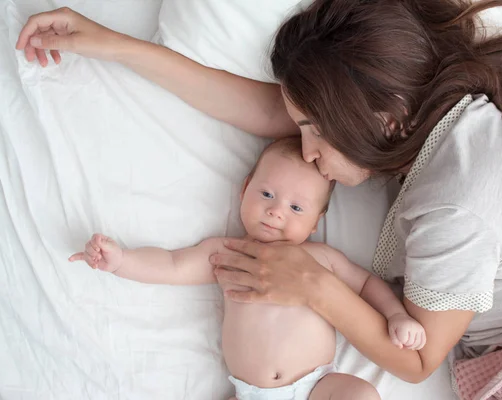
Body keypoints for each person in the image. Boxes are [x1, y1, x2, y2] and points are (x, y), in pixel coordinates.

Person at [17, 0, 502, 385]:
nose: (306, 153)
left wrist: (314, 283)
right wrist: (113, 45)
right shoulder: (419, 112)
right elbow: (270, 111)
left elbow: (415, 360)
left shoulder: (459, 199)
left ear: (381, 117)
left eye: (315, 130)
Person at [68, 137, 425, 400]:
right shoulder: (228, 252)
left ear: (316, 222)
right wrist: (122, 261)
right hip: (248, 393)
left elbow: (365, 286)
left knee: (361, 395)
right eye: (267, 195)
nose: (276, 211)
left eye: (297, 208)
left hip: (318, 386)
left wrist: (396, 315)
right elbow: (173, 265)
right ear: (244, 191)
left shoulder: (322, 259)